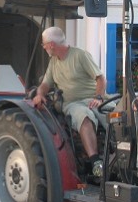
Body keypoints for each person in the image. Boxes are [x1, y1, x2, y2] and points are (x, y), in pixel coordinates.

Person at [33, 26, 107, 175]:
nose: (43, 47)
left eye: (44, 44)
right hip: (73, 103)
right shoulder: (54, 62)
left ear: (52, 44)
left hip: (93, 98)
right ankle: (96, 163)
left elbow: (101, 79)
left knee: (120, 115)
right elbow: (45, 84)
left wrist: (98, 97)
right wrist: (40, 94)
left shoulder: (80, 55)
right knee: (84, 117)